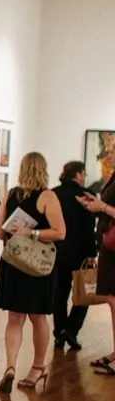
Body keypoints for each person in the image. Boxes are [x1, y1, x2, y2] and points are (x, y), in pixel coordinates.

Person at [0, 152, 65, 393]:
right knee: (38, 317)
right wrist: (34, 233)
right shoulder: (48, 197)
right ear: (43, 169)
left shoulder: (11, 195)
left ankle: (11, 367)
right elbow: (60, 232)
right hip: (37, 265)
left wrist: (20, 231)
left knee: (15, 318)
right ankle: (37, 367)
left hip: (14, 263)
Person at [53, 161, 97, 350]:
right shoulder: (86, 195)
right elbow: (89, 229)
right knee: (84, 294)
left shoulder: (53, 194)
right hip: (79, 252)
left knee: (59, 294)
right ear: (78, 175)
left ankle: (59, 332)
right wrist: (92, 253)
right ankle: (71, 329)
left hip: (56, 251)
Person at [81, 138, 115, 375]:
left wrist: (101, 207)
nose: (109, 155)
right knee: (112, 301)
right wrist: (95, 204)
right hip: (110, 244)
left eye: (113, 151)